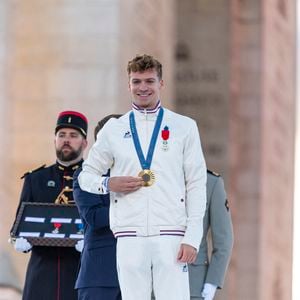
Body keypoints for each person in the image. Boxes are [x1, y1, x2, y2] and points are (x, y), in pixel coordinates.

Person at [78, 54, 207, 300]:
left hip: (171, 233)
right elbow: (86, 176)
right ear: (129, 85)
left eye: (149, 81)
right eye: (136, 82)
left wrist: (192, 238)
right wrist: (107, 183)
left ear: (161, 83)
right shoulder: (114, 129)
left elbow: (196, 184)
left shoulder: (184, 127)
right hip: (129, 233)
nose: (143, 87)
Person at [10, 111, 88, 300]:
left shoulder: (95, 179)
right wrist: (18, 240)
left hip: (81, 271)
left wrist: (90, 242)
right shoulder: (35, 179)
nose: (66, 140)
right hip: (42, 273)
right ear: (54, 140)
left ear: (84, 143)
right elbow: (18, 226)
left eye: (73, 135)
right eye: (61, 135)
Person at [73, 114, 122, 300]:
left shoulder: (141, 175)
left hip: (139, 272)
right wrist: (136, 210)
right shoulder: (86, 174)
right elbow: (94, 217)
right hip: (100, 274)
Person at [189, 170, 233, 300]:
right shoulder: (158, 177)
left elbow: (224, 238)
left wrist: (213, 281)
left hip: (193, 284)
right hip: (154, 281)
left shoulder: (211, 183)